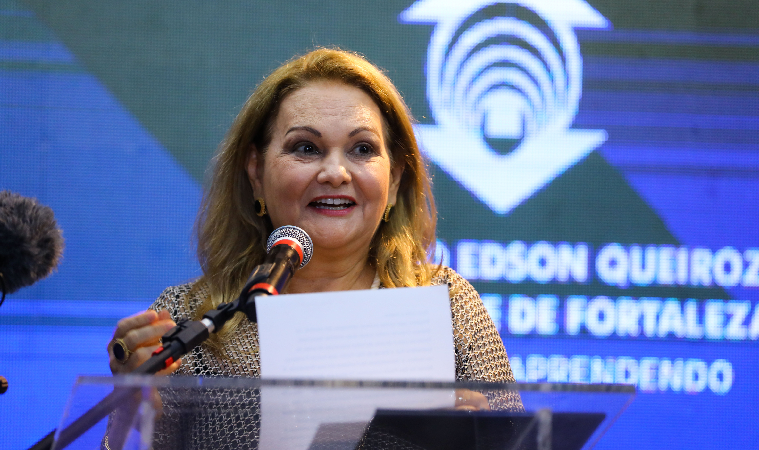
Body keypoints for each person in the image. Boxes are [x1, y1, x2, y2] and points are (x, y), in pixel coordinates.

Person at [107, 48, 519, 448]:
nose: (336, 172)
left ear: (393, 180)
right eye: (306, 147)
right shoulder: (188, 319)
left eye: (362, 149)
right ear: (256, 173)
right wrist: (131, 409)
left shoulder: (447, 306)